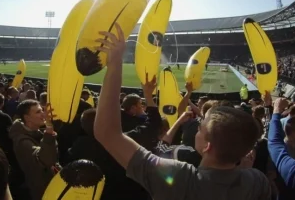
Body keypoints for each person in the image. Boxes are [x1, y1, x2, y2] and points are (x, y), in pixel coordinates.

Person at [93, 23, 270, 200]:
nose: (198, 127)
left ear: (207, 147)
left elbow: (107, 133)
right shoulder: (257, 180)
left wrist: (115, 63)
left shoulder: (180, 178)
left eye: (201, 128)